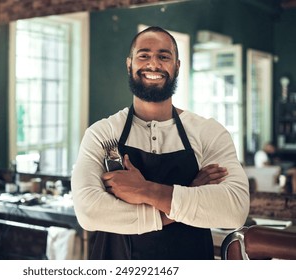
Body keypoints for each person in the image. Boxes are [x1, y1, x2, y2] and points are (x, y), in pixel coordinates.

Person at [71, 26, 249, 260]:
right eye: (144, 55)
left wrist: (144, 190)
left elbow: (233, 210)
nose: (153, 64)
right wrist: (181, 203)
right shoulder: (102, 133)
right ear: (129, 64)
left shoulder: (208, 133)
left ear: (177, 66)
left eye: (164, 56)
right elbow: (89, 213)